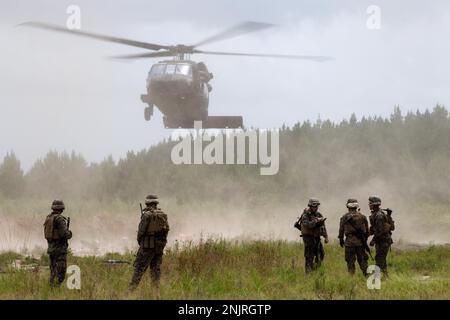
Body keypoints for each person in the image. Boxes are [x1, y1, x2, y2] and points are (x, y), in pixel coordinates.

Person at [130, 195, 170, 290]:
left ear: (147, 203)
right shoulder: (163, 214)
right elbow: (166, 231)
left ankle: (130, 291)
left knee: (139, 269)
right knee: (155, 270)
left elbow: (141, 232)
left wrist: (141, 243)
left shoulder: (146, 215)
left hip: (147, 247)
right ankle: (155, 292)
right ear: (156, 203)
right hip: (159, 248)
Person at [294, 198, 329, 273]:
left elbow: (323, 227)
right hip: (308, 238)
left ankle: (315, 269)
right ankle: (308, 273)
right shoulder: (305, 215)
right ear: (310, 206)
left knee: (321, 255)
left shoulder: (319, 214)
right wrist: (316, 221)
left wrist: (326, 237)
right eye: (314, 206)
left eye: (317, 206)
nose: (316, 208)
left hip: (317, 237)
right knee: (309, 256)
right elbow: (308, 225)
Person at [43, 200, 72, 287]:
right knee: (60, 273)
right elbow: (65, 234)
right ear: (62, 208)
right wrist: (70, 233)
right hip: (60, 250)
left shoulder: (49, 218)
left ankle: (52, 290)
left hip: (51, 249)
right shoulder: (59, 219)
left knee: (53, 271)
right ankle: (55, 289)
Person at [338, 199, 369, 276]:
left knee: (350, 262)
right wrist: (364, 240)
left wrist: (341, 241)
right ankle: (367, 277)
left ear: (348, 206)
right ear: (356, 206)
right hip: (360, 243)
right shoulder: (362, 217)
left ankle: (351, 278)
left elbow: (341, 231)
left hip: (349, 243)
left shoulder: (344, 217)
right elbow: (367, 231)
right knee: (363, 262)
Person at [368, 196, 395, 276]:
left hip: (383, 240)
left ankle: (377, 277)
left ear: (374, 204)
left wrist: (373, 240)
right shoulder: (376, 214)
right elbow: (374, 229)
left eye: (370, 203)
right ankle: (386, 276)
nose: (369, 205)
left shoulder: (379, 215)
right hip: (381, 240)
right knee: (381, 258)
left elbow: (379, 231)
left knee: (379, 259)